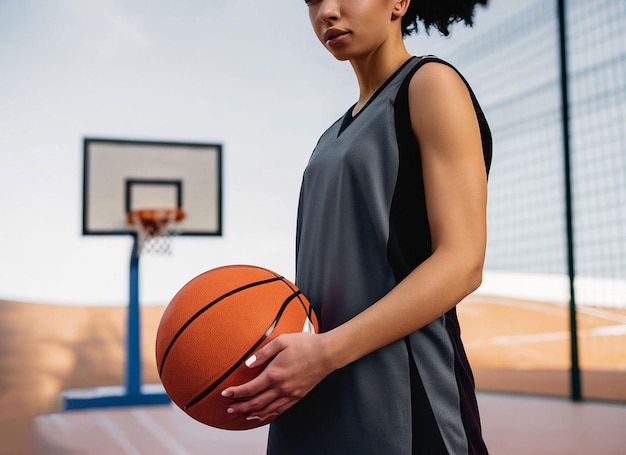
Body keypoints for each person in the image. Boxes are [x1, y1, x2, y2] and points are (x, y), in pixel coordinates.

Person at [222, 0, 492, 453]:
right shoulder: (328, 138)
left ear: (400, 3)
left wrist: (326, 353)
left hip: (403, 402)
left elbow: (463, 261)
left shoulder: (430, 85)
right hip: (311, 397)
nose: (326, 11)